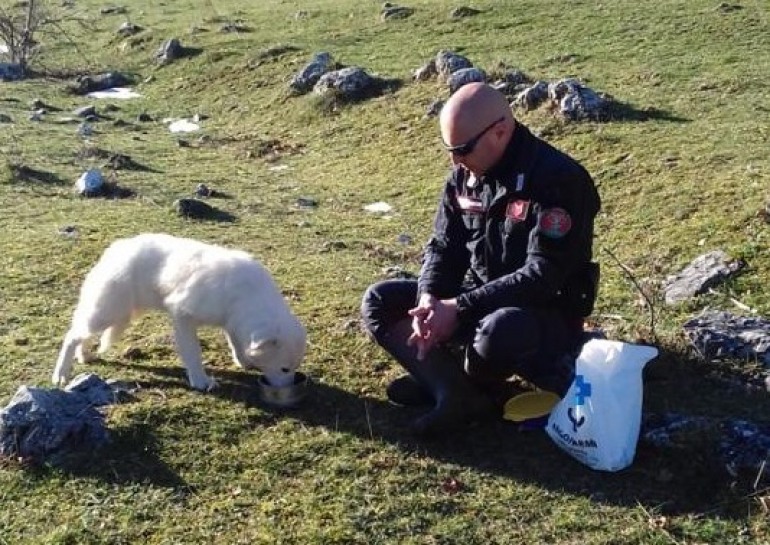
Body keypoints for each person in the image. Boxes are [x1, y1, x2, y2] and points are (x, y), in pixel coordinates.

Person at [361, 82, 601, 436]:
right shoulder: (463, 177)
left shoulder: (558, 180)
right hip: (474, 300)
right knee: (379, 300)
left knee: (499, 330)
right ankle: (454, 391)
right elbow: (444, 247)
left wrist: (457, 307)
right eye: (449, 150)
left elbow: (543, 275)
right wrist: (429, 298)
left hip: (541, 313)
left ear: (500, 132)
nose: (455, 160)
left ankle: (459, 377)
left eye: (462, 149)